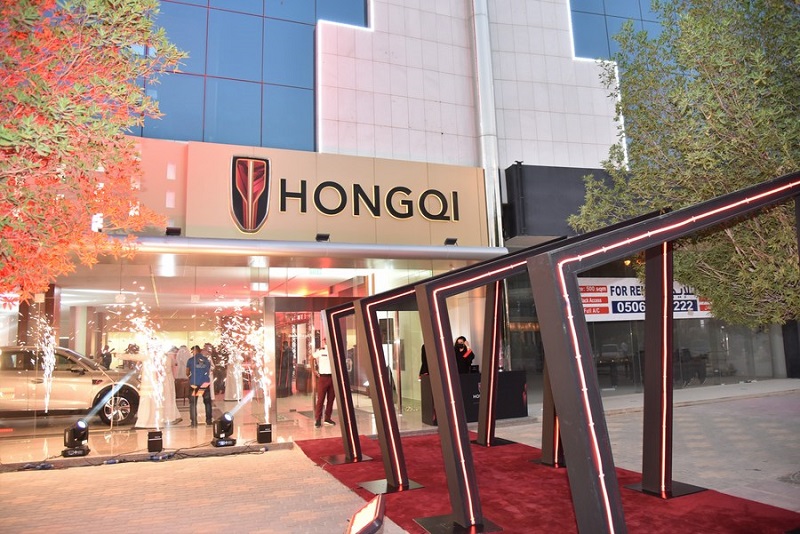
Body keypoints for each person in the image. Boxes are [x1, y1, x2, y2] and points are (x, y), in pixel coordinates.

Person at [186, 344, 213, 427]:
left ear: (195, 351)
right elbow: (208, 370)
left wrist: (191, 376)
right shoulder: (206, 360)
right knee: (207, 403)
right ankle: (209, 420)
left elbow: (187, 372)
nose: (192, 353)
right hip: (204, 384)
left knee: (193, 403)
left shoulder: (190, 360)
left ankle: (194, 422)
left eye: (192, 351)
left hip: (194, 384)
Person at [312, 340, 335, 428]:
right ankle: (318, 419)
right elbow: (311, 357)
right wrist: (313, 370)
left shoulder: (334, 351)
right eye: (326, 340)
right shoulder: (321, 351)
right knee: (320, 399)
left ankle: (327, 418)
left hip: (333, 377)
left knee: (331, 399)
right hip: (323, 377)